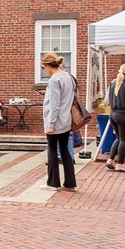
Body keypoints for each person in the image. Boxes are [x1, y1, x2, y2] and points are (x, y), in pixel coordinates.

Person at [39, 53, 77, 191]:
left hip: (55, 121)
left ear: (48, 65)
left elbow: (54, 104)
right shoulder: (67, 76)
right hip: (66, 119)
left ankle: (53, 182)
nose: (44, 70)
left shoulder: (54, 80)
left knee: (52, 151)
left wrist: (50, 124)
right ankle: (70, 182)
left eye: (44, 67)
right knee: (65, 150)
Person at [104, 64, 125, 173]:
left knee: (118, 138)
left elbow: (108, 99)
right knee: (124, 140)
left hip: (112, 113)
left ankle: (110, 160)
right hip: (123, 114)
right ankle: (120, 164)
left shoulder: (113, 83)